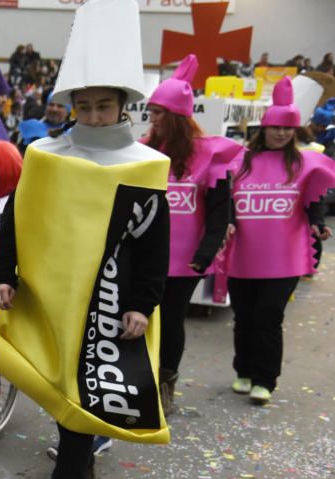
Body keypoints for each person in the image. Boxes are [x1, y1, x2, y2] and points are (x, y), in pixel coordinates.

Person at [0, 0, 171, 479]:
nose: (93, 115)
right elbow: (19, 218)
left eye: (103, 106)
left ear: (122, 107)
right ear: (72, 106)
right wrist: (4, 274)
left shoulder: (143, 167)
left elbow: (153, 244)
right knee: (65, 393)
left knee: (80, 397)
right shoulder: (45, 156)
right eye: (84, 106)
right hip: (51, 299)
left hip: (110, 304)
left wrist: (141, 303)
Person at [140, 55, 243, 413]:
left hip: (184, 260)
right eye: (150, 112)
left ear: (176, 116)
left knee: (170, 322)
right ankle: (138, 380)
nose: (151, 119)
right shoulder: (144, 150)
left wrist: (206, 253)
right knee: (138, 317)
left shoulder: (209, 154)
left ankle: (165, 384)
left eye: (157, 113)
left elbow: (220, 210)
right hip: (144, 254)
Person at [225, 76, 335, 405]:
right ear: (265, 128)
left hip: (283, 257)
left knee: (269, 317)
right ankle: (243, 371)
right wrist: (227, 222)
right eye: (276, 128)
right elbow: (225, 197)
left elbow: (314, 199)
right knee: (243, 317)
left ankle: (265, 379)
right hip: (242, 255)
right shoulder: (240, 160)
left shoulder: (305, 162)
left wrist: (316, 224)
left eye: (288, 129)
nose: (282, 133)